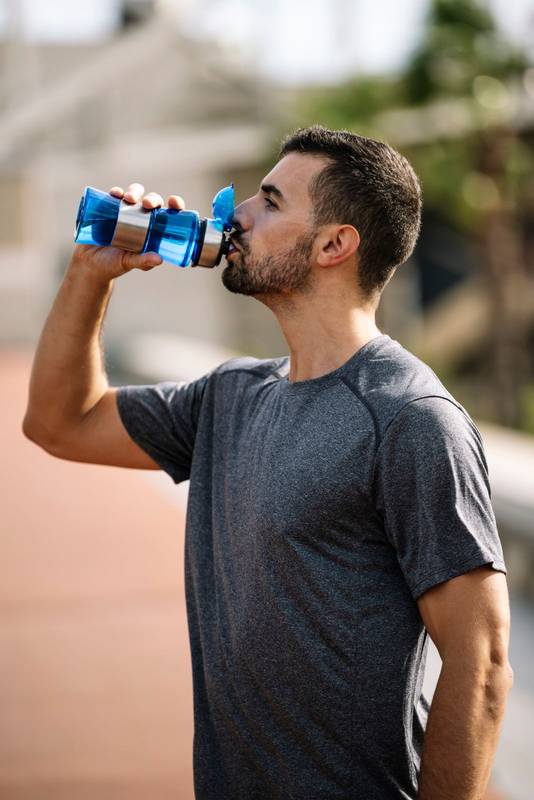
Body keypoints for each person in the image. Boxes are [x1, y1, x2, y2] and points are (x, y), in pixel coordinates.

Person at [23, 125, 513, 800]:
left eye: (270, 201)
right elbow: (58, 423)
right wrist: (90, 272)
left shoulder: (409, 417)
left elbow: (481, 661)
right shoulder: (230, 396)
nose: (238, 214)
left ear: (334, 244)